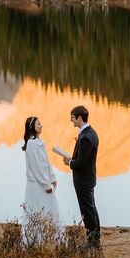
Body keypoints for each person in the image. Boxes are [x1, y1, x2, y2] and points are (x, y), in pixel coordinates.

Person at [63, 105, 101, 248]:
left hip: (83, 180)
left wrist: (69, 162)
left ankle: (92, 240)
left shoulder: (85, 137)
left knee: (87, 210)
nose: (71, 121)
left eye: (72, 117)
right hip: (89, 178)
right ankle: (95, 237)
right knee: (91, 208)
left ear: (79, 118)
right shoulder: (91, 133)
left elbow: (81, 163)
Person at [22, 116, 62, 229]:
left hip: (44, 182)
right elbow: (36, 167)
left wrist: (53, 179)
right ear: (32, 127)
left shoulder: (39, 142)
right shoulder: (31, 144)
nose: (41, 126)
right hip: (36, 184)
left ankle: (48, 238)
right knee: (38, 209)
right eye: (38, 124)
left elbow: (47, 163)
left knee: (49, 209)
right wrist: (46, 184)